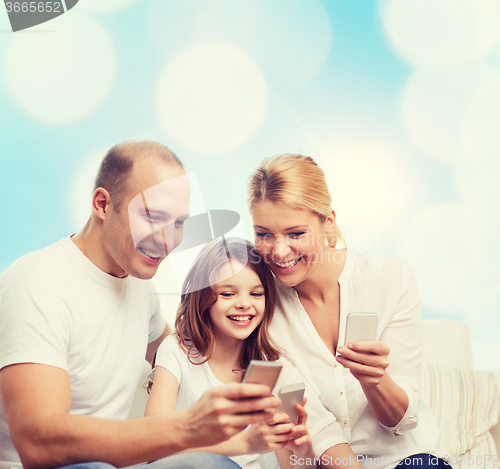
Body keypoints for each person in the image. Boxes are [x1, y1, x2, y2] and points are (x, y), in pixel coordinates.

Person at [0, 140, 280, 469]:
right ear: (103, 204)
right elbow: (38, 443)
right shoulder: (37, 286)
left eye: (179, 224)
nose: (167, 240)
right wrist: (189, 427)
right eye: (153, 216)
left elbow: (175, 347)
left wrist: (238, 349)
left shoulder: (137, 283)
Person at [247, 154, 448, 469]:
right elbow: (310, 425)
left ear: (329, 223)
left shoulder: (391, 279)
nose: (279, 251)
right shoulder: (260, 309)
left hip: (407, 460)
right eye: (264, 234)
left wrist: (374, 380)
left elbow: (402, 420)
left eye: (295, 234)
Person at [145, 238, 317, 469]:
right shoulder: (176, 351)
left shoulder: (273, 367)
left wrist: (302, 454)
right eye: (228, 294)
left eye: (256, 294)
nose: (245, 304)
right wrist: (242, 443)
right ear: (203, 298)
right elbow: (153, 446)